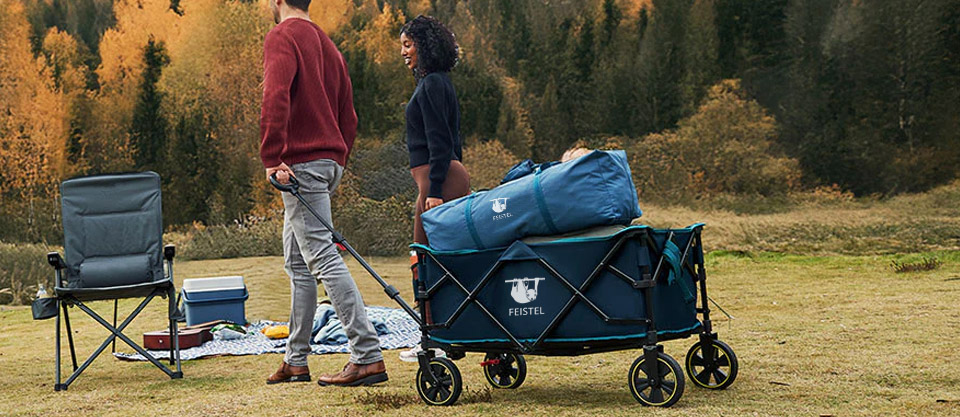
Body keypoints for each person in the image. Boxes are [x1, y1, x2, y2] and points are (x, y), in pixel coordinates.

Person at [260, 0, 386, 387]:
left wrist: (272, 156)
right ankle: (295, 360)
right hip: (326, 162)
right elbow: (349, 116)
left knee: (323, 260)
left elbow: (276, 96)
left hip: (298, 165)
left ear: (277, 1)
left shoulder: (283, 36)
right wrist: (338, 159)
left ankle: (366, 355)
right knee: (299, 265)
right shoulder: (329, 46)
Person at [398, 15, 470, 362]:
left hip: (437, 181)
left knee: (424, 260)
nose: (403, 52)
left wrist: (436, 188)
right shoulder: (436, 83)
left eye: (408, 44)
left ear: (425, 46)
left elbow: (442, 143)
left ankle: (435, 339)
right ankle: (444, 335)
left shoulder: (432, 86)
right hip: (437, 179)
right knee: (431, 260)